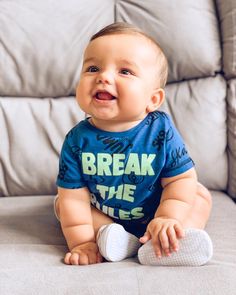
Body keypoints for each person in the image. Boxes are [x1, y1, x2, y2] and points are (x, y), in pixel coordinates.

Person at [55, 22, 213, 266]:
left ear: (153, 99)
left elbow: (180, 180)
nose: (103, 77)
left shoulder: (160, 130)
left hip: (158, 211)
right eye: (93, 68)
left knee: (200, 196)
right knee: (61, 205)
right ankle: (117, 241)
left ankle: (170, 240)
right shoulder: (77, 140)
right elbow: (74, 198)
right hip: (107, 216)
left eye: (125, 71)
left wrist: (167, 217)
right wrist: (81, 243)